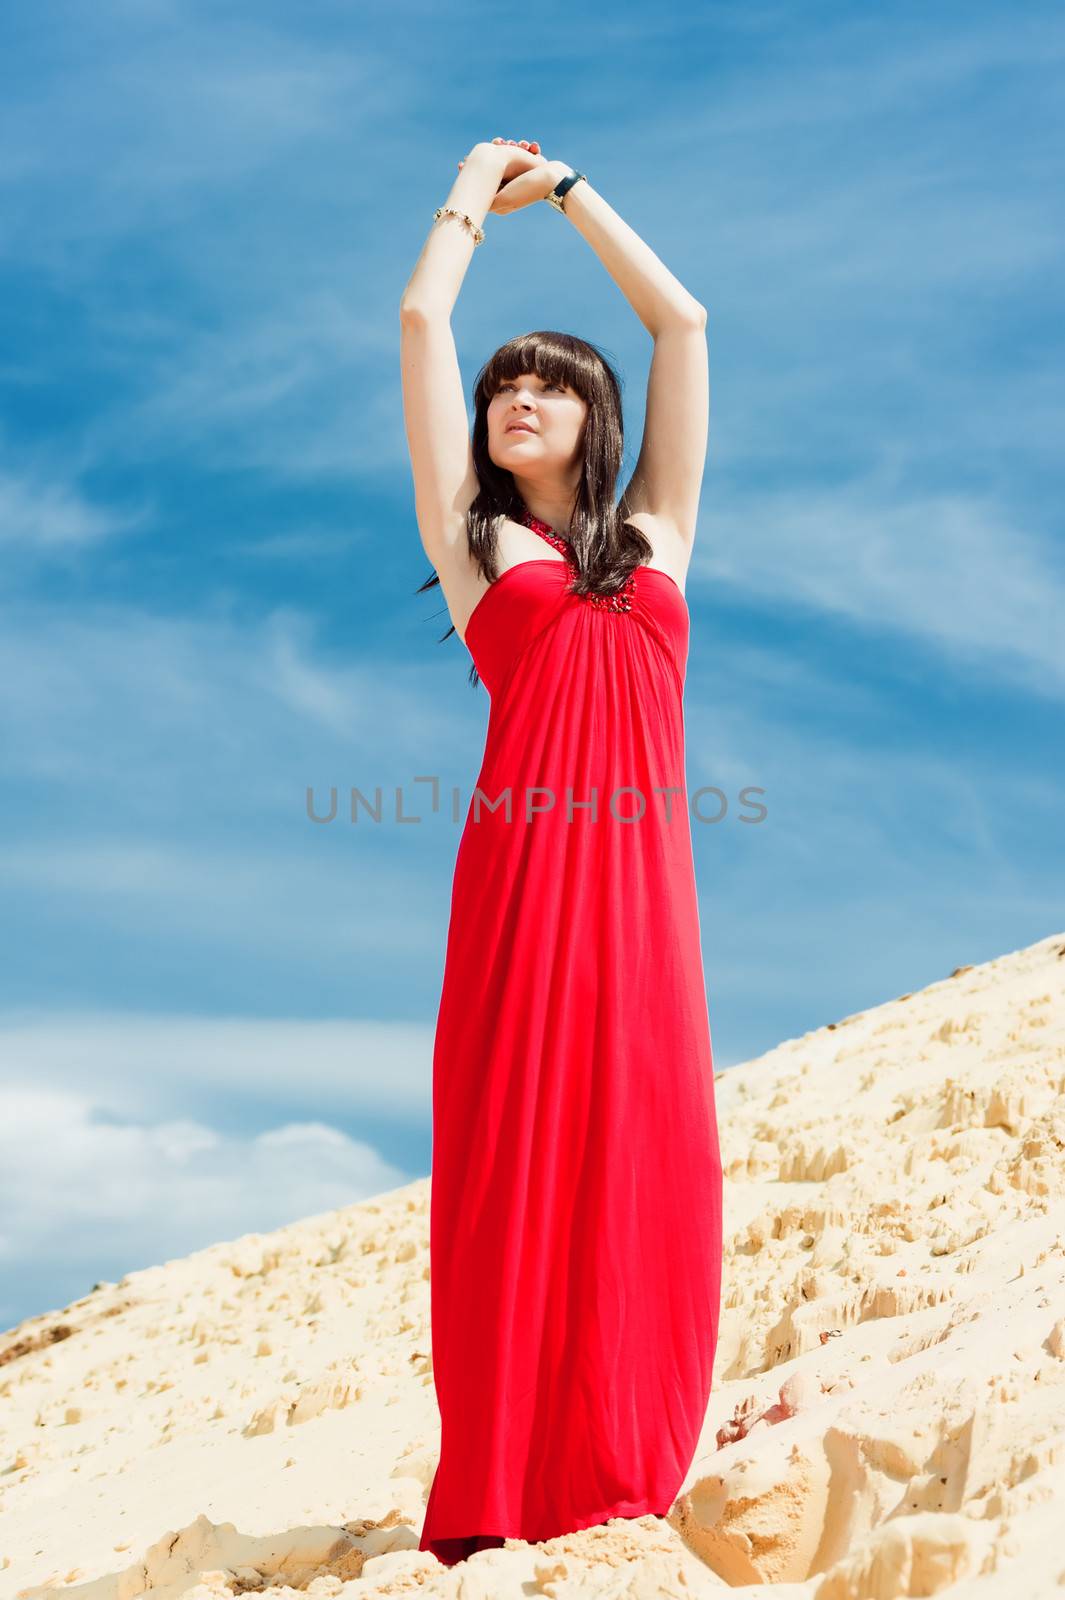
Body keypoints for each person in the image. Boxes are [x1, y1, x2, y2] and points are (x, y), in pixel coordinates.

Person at [399, 137, 723, 1567]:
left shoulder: (659, 532)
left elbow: (684, 325)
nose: (511, 397)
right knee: (514, 1164)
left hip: (644, 891)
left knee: (649, 1152)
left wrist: (576, 192)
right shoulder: (475, 551)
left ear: (595, 416)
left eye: (544, 383)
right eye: (497, 388)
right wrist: (470, 193)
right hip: (527, 882)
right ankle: (501, 1488)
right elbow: (419, 325)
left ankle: (615, 1464)